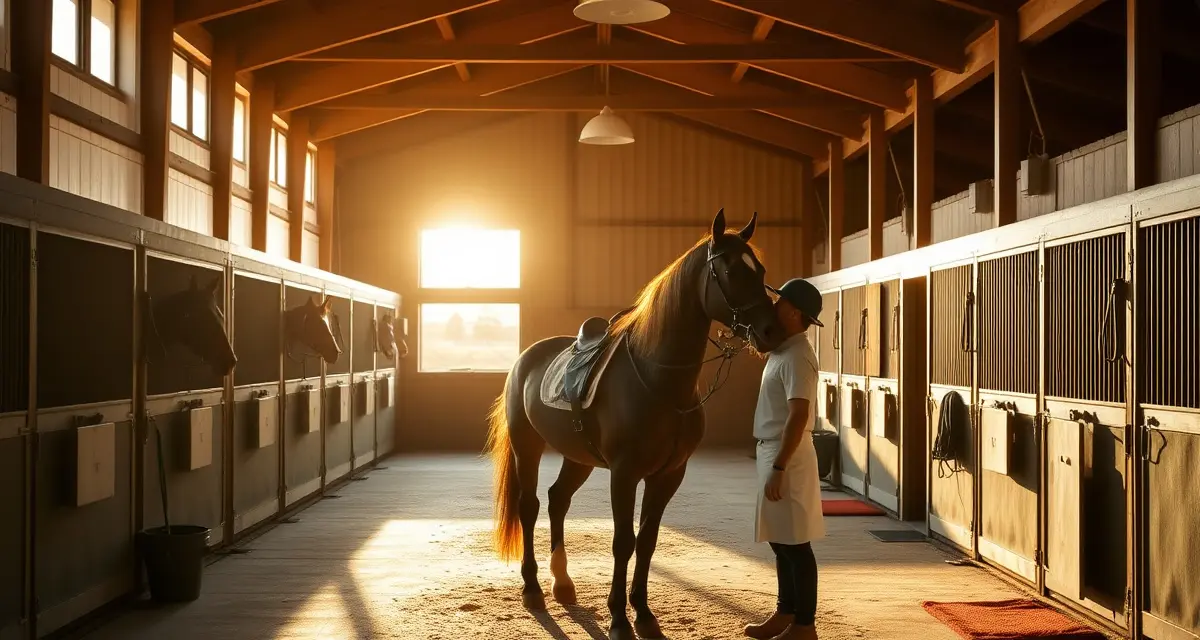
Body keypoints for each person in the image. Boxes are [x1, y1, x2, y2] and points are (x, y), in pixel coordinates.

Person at [744, 277, 826, 640]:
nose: (773, 307)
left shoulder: (799, 356)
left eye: (779, 304)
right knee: (781, 540)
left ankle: (805, 624)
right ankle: (785, 612)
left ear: (793, 312)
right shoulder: (783, 349)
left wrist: (779, 466)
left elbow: (798, 415)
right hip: (772, 450)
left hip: (786, 455)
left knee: (795, 544)